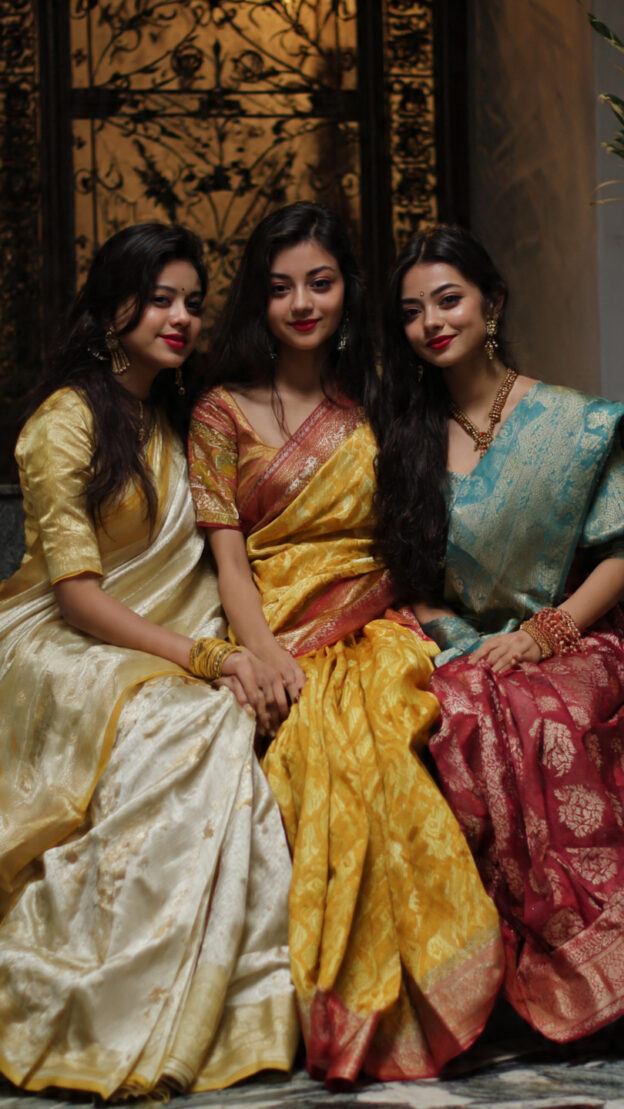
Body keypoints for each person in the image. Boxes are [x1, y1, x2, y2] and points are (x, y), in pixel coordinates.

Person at [187, 202, 503, 1088]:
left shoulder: (379, 392)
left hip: (373, 616)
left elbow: (415, 517)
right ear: (258, 294)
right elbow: (230, 562)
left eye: (320, 282)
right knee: (315, 744)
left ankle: (419, 998)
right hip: (273, 619)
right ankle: (344, 1003)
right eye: (282, 285)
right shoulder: (219, 410)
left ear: (345, 289)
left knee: (377, 746)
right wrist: (270, 653)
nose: (301, 302)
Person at [0, 222, 298, 1098]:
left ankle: (221, 1006)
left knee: (233, 719)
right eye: (160, 299)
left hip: (158, 640)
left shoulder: (178, 418)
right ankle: (101, 991)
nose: (180, 318)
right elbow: (78, 596)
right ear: (110, 308)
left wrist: (250, 650)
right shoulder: (65, 419)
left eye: (192, 303)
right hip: (61, 643)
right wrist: (207, 655)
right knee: (196, 721)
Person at [373, 223, 624, 1043]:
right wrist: (455, 638)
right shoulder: (401, 438)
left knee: (542, 712)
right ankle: (499, 985)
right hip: (456, 643)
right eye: (413, 311)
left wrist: (547, 633)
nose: (432, 322)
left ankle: (591, 966)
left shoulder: (572, 424)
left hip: (569, 633)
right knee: (457, 711)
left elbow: (620, 553)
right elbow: (406, 578)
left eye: (449, 300)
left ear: (492, 305)